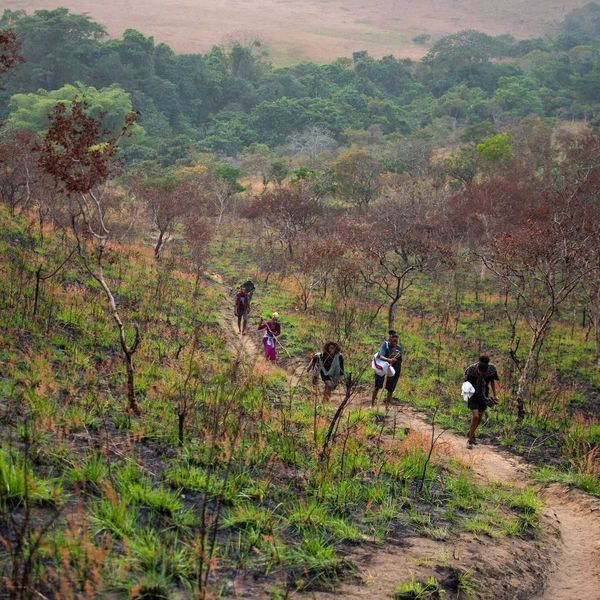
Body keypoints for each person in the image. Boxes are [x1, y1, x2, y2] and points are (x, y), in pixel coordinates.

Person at [464, 355, 500, 448]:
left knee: (479, 418)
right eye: (480, 372)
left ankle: (471, 432)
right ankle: (470, 440)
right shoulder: (471, 370)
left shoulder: (491, 369)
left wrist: (495, 395)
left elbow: (492, 381)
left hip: (484, 396)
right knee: (475, 416)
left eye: (484, 373)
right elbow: (466, 384)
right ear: (478, 368)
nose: (482, 374)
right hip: (472, 395)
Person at [371, 330, 403, 406]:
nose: (395, 340)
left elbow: (400, 359)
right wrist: (389, 359)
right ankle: (372, 404)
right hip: (383, 368)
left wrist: (395, 360)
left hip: (394, 369)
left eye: (396, 338)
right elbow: (381, 356)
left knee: (391, 389)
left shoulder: (399, 348)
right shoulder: (385, 345)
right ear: (389, 339)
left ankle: (387, 406)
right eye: (393, 337)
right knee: (377, 386)